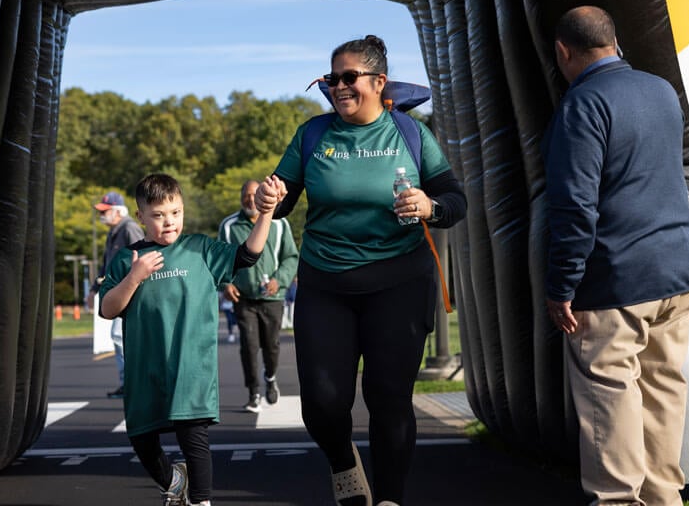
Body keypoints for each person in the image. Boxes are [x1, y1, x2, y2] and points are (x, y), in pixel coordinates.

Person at [266, 35, 466, 506]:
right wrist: (268, 199)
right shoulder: (312, 135)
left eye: (349, 77)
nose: (338, 86)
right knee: (321, 403)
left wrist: (429, 205)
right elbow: (284, 199)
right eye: (331, 78)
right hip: (325, 284)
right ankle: (343, 463)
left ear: (379, 82)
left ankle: (391, 498)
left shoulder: (411, 134)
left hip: (398, 283)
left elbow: (456, 201)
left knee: (388, 397)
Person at [543, 6, 689, 506]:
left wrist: (561, 286)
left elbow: (574, 207)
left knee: (610, 417)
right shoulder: (661, 92)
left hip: (614, 284)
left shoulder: (581, 105)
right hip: (676, 276)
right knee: (661, 403)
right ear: (614, 40)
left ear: (563, 51)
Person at [100, 173, 283, 506]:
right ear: (140, 217)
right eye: (158, 215)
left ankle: (201, 500)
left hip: (191, 368)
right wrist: (133, 279)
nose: (169, 222)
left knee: (194, 438)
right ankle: (172, 480)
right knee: (141, 438)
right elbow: (107, 310)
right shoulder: (128, 260)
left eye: (176, 212)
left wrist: (266, 212)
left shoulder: (199, 248)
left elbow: (248, 255)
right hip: (145, 371)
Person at [218, 179, 299, 412]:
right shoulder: (228, 226)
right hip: (243, 298)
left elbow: (291, 257)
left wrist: (279, 280)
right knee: (249, 345)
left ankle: (271, 378)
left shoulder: (280, 223)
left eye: (254, 194)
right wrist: (226, 283)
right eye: (245, 195)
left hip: (272, 298)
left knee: (271, 345)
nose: (249, 199)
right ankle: (253, 392)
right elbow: (221, 259)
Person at [92, 190, 144, 398]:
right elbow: (106, 265)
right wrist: (95, 289)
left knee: (121, 336)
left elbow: (142, 256)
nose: (102, 215)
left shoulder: (129, 229)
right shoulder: (114, 231)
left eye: (106, 211)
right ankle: (129, 383)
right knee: (120, 336)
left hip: (131, 292)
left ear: (118, 211)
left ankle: (132, 383)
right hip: (120, 291)